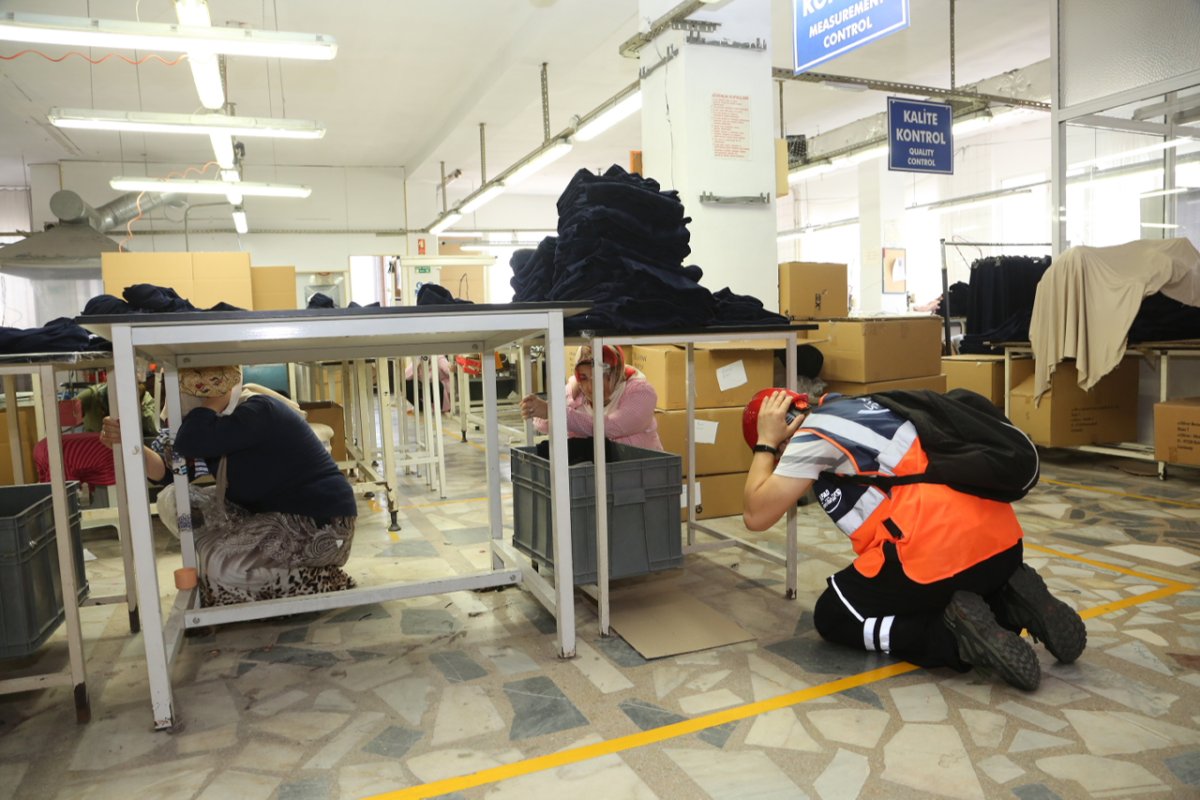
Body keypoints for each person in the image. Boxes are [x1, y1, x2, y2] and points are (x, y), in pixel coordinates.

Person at [742, 390, 1086, 691]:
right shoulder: (862, 406)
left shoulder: (813, 435)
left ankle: (952, 639)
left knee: (835, 615)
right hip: (1004, 547)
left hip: (938, 560)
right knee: (934, 584)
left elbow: (756, 515)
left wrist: (765, 443)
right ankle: (1009, 599)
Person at [101, 365, 357, 606]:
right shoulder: (212, 427)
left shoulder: (257, 410)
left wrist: (213, 401)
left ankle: (322, 579)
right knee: (173, 499)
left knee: (221, 566)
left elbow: (192, 440)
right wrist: (129, 442)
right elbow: (170, 473)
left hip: (324, 524)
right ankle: (244, 567)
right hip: (273, 518)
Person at [519, 344, 662, 450]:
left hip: (643, 474)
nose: (590, 387)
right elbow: (543, 425)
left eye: (599, 376)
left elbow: (608, 427)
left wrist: (555, 412)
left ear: (615, 372)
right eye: (584, 377)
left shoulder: (641, 393)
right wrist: (568, 398)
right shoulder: (578, 389)